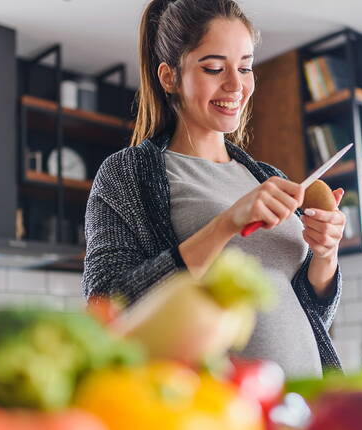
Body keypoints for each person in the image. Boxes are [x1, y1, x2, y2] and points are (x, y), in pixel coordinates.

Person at [82, 0, 346, 376]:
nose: (236, 85)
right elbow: (106, 304)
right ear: (169, 77)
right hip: (212, 406)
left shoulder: (265, 175)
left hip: (301, 402)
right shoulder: (127, 174)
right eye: (214, 68)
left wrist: (325, 253)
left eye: (244, 67)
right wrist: (225, 224)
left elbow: (311, 310)